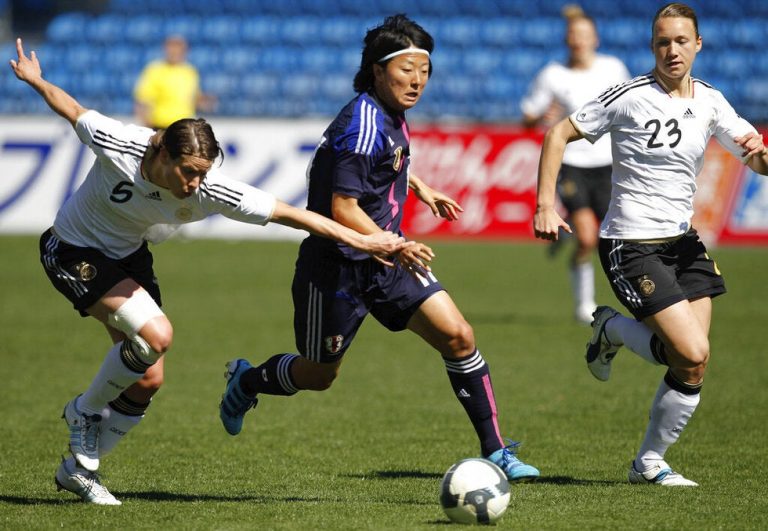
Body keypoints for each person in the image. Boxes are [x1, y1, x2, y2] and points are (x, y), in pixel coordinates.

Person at [9, 37, 405, 505]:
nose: (195, 183)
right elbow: (72, 108)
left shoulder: (209, 189)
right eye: (188, 172)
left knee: (148, 379)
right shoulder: (119, 144)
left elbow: (289, 213)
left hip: (128, 255)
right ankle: (84, 411)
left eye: (202, 173)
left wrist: (360, 238)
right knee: (157, 336)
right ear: (162, 155)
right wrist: (36, 81)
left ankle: (79, 471)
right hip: (72, 247)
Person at [217, 14, 540, 484]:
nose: (417, 81)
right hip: (337, 268)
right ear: (377, 69)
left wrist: (421, 189)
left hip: (388, 262)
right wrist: (393, 241)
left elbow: (389, 163)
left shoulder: (389, 115)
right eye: (406, 69)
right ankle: (246, 381)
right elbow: (342, 207)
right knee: (319, 374)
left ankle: (495, 451)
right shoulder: (361, 125)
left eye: (424, 70)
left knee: (459, 336)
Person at [533, 3, 768, 486]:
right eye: (663, 41)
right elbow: (558, 133)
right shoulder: (628, 96)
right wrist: (543, 204)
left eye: (682, 40)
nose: (672, 49)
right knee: (690, 348)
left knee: (693, 359)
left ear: (697, 44)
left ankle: (648, 461)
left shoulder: (710, 101)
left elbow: (754, 155)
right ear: (652, 47)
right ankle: (613, 329)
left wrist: (764, 159)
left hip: (682, 243)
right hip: (630, 243)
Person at [521, 5, 630, 324]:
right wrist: (540, 118)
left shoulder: (613, 69)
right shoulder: (553, 74)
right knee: (587, 238)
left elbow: (629, 108)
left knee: (615, 237)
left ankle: (565, 236)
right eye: (572, 34)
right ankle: (585, 305)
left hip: (609, 164)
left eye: (583, 34)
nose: (578, 40)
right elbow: (528, 118)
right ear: (566, 38)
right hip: (571, 165)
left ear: (595, 38)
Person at [133, 34, 215, 130]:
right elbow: (143, 101)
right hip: (161, 127)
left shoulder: (190, 71)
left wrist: (205, 101)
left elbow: (193, 98)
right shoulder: (154, 70)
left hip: (185, 128)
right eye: (172, 47)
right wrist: (148, 126)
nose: (175, 51)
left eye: (178, 48)